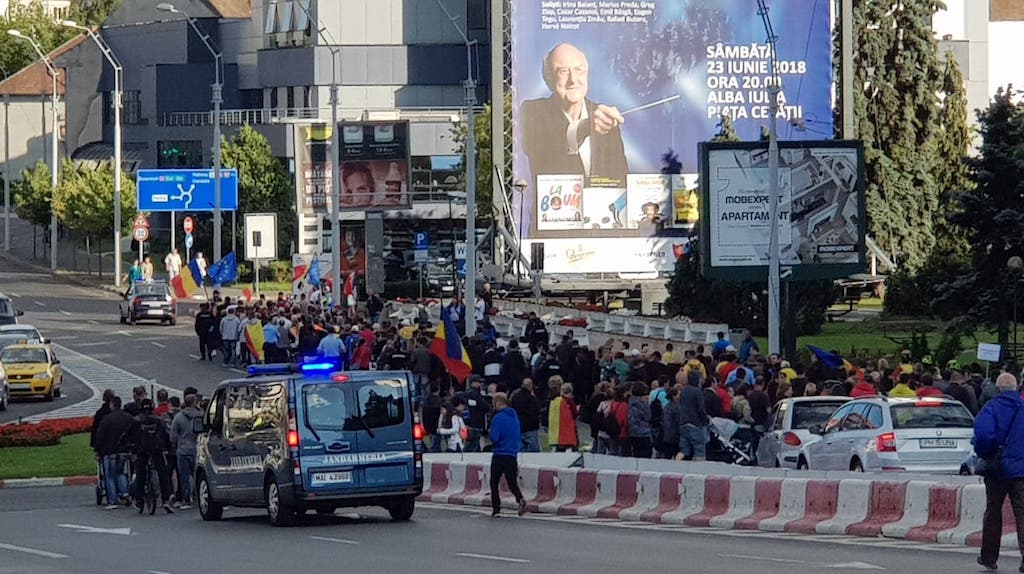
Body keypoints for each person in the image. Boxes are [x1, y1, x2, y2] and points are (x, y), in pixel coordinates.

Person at [520, 43, 628, 185]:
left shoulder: (604, 118)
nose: (573, 79)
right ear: (549, 79)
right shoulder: (532, 111)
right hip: (555, 205)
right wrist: (586, 127)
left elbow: (621, 177)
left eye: (579, 70)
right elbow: (542, 147)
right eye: (563, 71)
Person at [974, 373, 1024, 571]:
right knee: (1022, 513)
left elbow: (984, 435)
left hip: (996, 469)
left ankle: (989, 556)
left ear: (997, 389)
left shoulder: (991, 408)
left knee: (993, 512)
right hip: (1020, 470)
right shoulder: (1022, 408)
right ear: (1016, 387)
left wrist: (987, 453)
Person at [131, 399, 175, 514]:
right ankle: (167, 497)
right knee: (162, 472)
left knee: (140, 473)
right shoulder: (158, 420)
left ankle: (139, 498)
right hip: (157, 449)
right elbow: (166, 435)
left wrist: (130, 447)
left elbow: (130, 435)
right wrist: (169, 447)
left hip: (142, 450)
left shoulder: (136, 420)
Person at [488, 392, 527, 517]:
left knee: (494, 482)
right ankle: (519, 498)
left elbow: (494, 437)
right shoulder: (514, 417)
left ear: (498, 403)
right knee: (512, 482)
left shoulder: (498, 418)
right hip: (512, 454)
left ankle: (496, 508)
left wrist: (489, 432)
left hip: (499, 453)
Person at [94, 396, 134, 509]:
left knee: (109, 476)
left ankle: (112, 500)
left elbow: (100, 436)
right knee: (120, 472)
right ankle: (124, 492)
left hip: (109, 451)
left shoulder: (106, 419)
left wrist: (97, 450)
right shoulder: (128, 418)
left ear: (112, 405)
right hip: (123, 450)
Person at [169, 394, 202, 510]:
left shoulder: (178, 417)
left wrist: (175, 446)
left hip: (182, 450)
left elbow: (173, 435)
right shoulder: (200, 416)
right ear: (194, 402)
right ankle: (200, 497)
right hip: (197, 449)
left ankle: (186, 499)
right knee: (198, 475)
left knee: (184, 476)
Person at [677, 371, 709, 461]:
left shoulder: (683, 391)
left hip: (683, 424)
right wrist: (706, 420)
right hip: (695, 424)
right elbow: (701, 410)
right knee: (699, 450)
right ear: (697, 380)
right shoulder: (697, 391)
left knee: (684, 450)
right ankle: (698, 471)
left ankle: (675, 465)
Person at [547, 380, 579, 452]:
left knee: (556, 450)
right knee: (569, 449)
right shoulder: (569, 401)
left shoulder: (554, 400)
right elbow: (575, 413)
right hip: (567, 431)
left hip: (555, 433)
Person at [627, 381, 652, 458]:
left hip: (633, 432)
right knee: (646, 455)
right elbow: (648, 416)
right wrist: (647, 404)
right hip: (643, 432)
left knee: (636, 454)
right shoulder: (642, 402)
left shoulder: (630, 401)